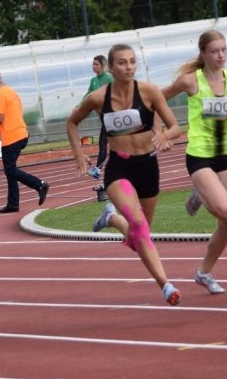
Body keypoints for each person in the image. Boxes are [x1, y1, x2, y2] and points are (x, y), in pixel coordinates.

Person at [66, 44, 183, 305]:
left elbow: (175, 126)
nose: (128, 67)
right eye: (122, 63)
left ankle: (112, 218)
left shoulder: (149, 91)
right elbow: (71, 122)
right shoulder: (98, 98)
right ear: (111, 67)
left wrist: (163, 135)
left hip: (148, 167)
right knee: (140, 227)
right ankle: (165, 284)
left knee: (139, 236)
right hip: (119, 168)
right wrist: (78, 154)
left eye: (132, 62)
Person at [162, 29, 227, 295]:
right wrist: (162, 130)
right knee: (225, 210)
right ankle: (203, 194)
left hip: (226, 156)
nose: (221, 55)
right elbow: (157, 99)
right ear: (203, 54)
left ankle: (203, 273)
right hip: (199, 156)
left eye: (224, 50)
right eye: (215, 51)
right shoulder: (191, 82)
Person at [0, 70, 49, 213]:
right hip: (21, 133)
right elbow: (9, 117)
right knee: (10, 171)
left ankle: (39, 184)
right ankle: (13, 204)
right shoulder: (11, 91)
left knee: (10, 169)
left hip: (12, 138)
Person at [81, 55, 114, 179]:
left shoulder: (109, 78)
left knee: (103, 142)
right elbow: (88, 95)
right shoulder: (93, 81)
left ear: (102, 65)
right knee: (113, 143)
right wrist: (79, 106)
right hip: (103, 117)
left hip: (111, 115)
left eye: (96, 64)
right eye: (93, 64)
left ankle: (97, 169)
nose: (94, 67)